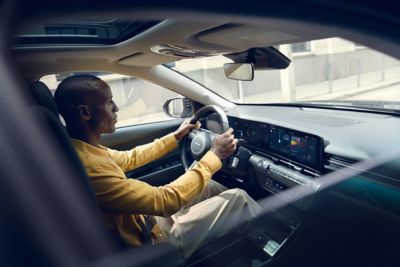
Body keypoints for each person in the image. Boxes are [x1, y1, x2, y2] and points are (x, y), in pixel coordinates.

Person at [54, 74, 261, 258]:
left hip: (146, 221)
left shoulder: (81, 149)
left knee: (208, 186)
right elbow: (164, 201)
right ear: (85, 113)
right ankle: (273, 250)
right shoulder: (90, 168)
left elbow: (130, 158)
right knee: (239, 198)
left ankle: (236, 233)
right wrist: (214, 155)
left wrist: (176, 137)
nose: (116, 107)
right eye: (109, 102)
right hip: (152, 241)